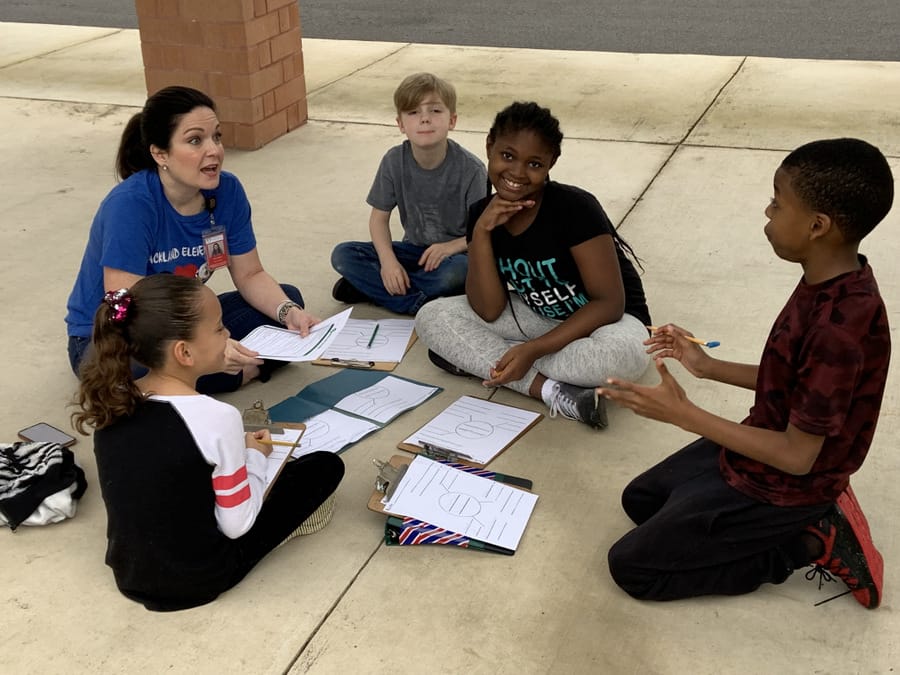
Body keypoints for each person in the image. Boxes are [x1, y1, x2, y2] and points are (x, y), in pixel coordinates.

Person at [599, 138, 893, 608]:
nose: (767, 211)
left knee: (633, 569)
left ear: (818, 226)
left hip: (790, 482)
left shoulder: (840, 330)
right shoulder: (828, 279)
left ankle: (811, 540)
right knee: (642, 501)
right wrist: (707, 366)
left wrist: (685, 414)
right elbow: (797, 379)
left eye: (778, 202)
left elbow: (797, 457)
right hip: (766, 440)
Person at [72, 274, 344, 612]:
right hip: (202, 576)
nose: (228, 334)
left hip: (130, 572)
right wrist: (255, 456)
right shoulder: (217, 417)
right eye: (219, 329)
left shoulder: (112, 400)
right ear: (184, 352)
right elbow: (237, 524)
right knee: (323, 466)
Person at [66, 85, 318, 393]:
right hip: (116, 337)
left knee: (287, 306)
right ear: (160, 153)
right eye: (195, 140)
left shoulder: (228, 191)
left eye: (217, 137)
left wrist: (288, 312)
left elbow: (250, 274)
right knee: (123, 374)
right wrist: (210, 347)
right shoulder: (130, 204)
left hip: (187, 324)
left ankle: (206, 372)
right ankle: (230, 373)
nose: (214, 151)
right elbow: (124, 305)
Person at [415, 101, 651, 428]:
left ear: (551, 163)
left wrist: (531, 350)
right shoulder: (481, 213)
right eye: (507, 156)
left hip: (608, 323)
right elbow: (488, 310)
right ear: (489, 146)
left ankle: (488, 357)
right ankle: (551, 390)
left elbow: (609, 303)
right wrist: (481, 233)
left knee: (610, 361)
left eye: (535, 163)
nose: (517, 172)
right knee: (431, 316)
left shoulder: (574, 207)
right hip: (540, 317)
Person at [330, 72, 488, 315]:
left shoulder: (471, 169)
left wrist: (448, 247)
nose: (424, 119)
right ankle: (416, 298)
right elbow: (378, 219)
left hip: (455, 255)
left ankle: (376, 289)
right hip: (412, 251)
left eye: (435, 110)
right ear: (401, 124)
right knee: (343, 255)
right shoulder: (394, 161)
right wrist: (389, 263)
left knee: (456, 273)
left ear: (452, 120)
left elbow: (482, 232)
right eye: (413, 112)